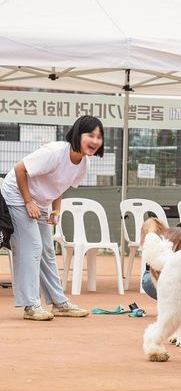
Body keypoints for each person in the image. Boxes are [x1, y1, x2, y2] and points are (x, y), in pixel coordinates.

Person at [0, 115, 103, 320]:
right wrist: (28, 201)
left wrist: (56, 211)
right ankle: (31, 305)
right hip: (16, 196)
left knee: (47, 250)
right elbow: (20, 169)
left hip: (40, 202)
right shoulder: (55, 152)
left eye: (99, 137)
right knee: (32, 247)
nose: (95, 141)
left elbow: (59, 187)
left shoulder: (83, 164)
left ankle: (59, 303)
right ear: (78, 134)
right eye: (90, 135)